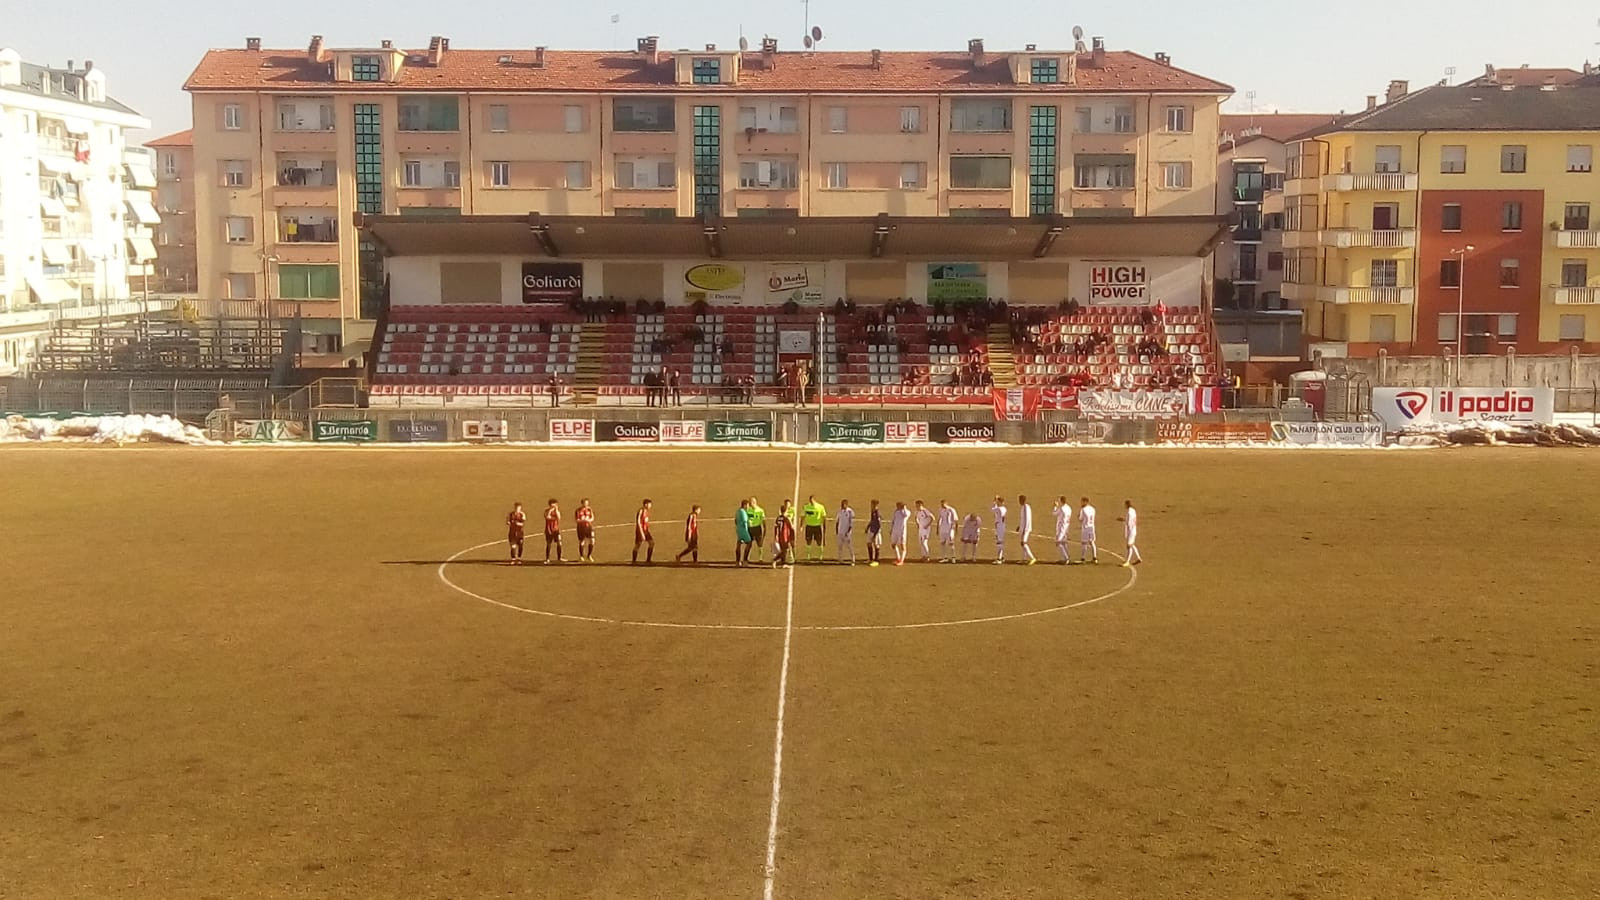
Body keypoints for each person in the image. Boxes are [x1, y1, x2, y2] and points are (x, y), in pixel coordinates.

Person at [1117, 499, 1144, 567]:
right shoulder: (1133, 510)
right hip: (1134, 529)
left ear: (1126, 505)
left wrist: (1122, 520)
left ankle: (1127, 561)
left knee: (1129, 546)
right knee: (1132, 545)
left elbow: (1128, 523)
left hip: (1131, 531)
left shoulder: (1129, 512)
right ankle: (1138, 558)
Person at [801, 495, 827, 562]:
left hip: (817, 526)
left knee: (819, 542)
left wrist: (824, 525)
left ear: (815, 500)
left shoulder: (820, 507)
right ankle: (808, 556)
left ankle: (820, 556)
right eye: (810, 500)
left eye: (812, 500)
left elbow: (824, 517)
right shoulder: (806, 507)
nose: (811, 501)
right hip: (809, 526)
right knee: (808, 541)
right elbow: (803, 516)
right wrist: (801, 525)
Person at [772, 501, 796, 568]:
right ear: (786, 511)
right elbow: (791, 528)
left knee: (783, 550)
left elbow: (775, 527)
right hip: (785, 536)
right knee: (785, 550)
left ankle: (783, 563)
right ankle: (775, 560)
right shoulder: (786, 518)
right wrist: (792, 537)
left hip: (780, 536)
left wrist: (776, 535)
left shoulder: (778, 518)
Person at [632, 499, 654, 565]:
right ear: (646, 504)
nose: (650, 506)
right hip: (640, 530)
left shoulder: (646, 511)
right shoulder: (641, 511)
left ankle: (648, 560)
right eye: (649, 504)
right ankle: (634, 561)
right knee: (638, 545)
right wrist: (641, 533)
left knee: (651, 543)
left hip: (646, 530)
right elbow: (638, 522)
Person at [1077, 496, 1098, 564]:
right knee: (1092, 542)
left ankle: (1083, 558)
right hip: (1092, 527)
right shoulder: (1093, 509)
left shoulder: (1083, 510)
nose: (1081, 503)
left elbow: (1080, 519)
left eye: (1082, 502)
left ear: (1085, 502)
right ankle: (1095, 558)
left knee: (1084, 543)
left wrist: (1078, 516)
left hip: (1085, 528)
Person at [1016, 494, 1036, 566]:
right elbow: (1023, 519)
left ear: (1022, 500)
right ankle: (1024, 559)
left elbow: (1027, 519)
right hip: (1023, 528)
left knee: (1023, 543)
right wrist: (1019, 526)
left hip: (1026, 529)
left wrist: (1024, 529)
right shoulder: (1023, 507)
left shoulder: (1025, 507)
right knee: (1022, 544)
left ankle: (1032, 558)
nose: (1018, 501)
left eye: (1019, 500)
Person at [889, 501, 911, 567]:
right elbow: (893, 521)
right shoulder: (896, 512)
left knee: (902, 545)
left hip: (902, 531)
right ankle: (898, 558)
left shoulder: (907, 512)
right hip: (895, 531)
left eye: (898, 505)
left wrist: (904, 508)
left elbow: (906, 515)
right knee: (893, 545)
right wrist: (891, 529)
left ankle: (902, 560)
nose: (897, 507)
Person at [575, 498, 596, 563]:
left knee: (592, 540)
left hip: (589, 527)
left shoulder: (589, 509)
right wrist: (583, 520)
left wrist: (589, 520)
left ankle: (589, 555)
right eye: (585, 503)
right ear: (582, 503)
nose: (586, 504)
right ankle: (581, 556)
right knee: (582, 541)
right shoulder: (578, 510)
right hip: (581, 528)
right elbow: (577, 520)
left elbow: (592, 518)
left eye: (587, 503)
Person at [836, 499, 856, 565]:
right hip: (840, 532)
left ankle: (853, 560)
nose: (842, 506)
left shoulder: (850, 511)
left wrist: (848, 532)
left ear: (846, 505)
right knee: (840, 546)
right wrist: (837, 531)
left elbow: (851, 523)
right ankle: (840, 560)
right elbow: (837, 521)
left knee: (849, 546)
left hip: (847, 533)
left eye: (843, 504)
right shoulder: (839, 511)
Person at [1052, 496, 1072, 565]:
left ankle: (1066, 558)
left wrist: (1055, 506)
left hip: (1061, 528)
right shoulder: (1069, 508)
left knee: (1058, 543)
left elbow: (1054, 513)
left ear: (1061, 501)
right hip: (1066, 527)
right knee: (1064, 543)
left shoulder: (1062, 509)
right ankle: (1066, 557)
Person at [746, 497, 767, 563]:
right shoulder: (747, 510)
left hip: (757, 528)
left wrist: (765, 528)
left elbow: (763, 520)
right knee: (749, 544)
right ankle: (747, 558)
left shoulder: (760, 510)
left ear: (754, 502)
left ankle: (760, 558)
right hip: (750, 528)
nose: (749, 504)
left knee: (760, 544)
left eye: (750, 502)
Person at [543, 498, 563, 564]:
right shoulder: (546, 511)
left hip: (556, 529)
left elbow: (559, 518)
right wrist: (550, 510)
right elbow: (547, 517)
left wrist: (556, 510)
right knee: (549, 544)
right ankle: (547, 558)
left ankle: (559, 558)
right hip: (548, 530)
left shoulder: (557, 511)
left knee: (559, 543)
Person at [990, 495, 1008, 564]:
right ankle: (1001, 557)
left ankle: (999, 559)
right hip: (1002, 525)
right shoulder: (1004, 508)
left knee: (999, 542)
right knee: (1000, 542)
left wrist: (994, 502)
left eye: (998, 502)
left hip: (999, 526)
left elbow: (992, 509)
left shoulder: (999, 509)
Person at [735, 499, 753, 567]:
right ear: (745, 505)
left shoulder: (738, 511)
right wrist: (746, 530)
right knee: (749, 543)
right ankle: (745, 561)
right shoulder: (743, 512)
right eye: (748, 505)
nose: (748, 507)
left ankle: (737, 561)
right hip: (743, 531)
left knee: (739, 544)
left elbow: (735, 521)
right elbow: (745, 522)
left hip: (738, 530)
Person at [865, 499, 883, 567]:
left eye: (872, 504)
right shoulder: (872, 512)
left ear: (875, 505)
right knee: (869, 543)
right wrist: (868, 527)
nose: (871, 506)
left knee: (876, 545)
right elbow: (872, 520)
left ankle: (876, 560)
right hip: (871, 530)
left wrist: (875, 535)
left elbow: (879, 525)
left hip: (876, 531)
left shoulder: (877, 513)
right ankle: (871, 559)